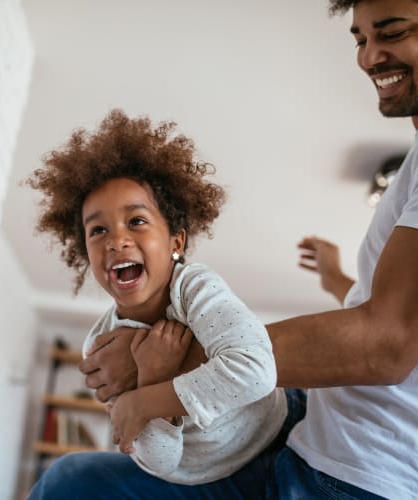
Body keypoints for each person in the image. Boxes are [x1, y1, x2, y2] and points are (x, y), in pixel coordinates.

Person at [36, 0, 418, 498]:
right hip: (318, 441)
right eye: (360, 39)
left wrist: (160, 367)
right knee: (70, 481)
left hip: (376, 474)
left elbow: (392, 341)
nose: (369, 56)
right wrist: (339, 280)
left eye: (392, 32)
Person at [26, 110, 302, 497]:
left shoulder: (194, 287)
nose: (115, 240)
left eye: (136, 221)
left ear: (176, 243)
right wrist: (154, 376)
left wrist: (146, 399)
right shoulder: (101, 347)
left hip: (278, 434)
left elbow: (256, 371)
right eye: (98, 230)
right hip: (205, 478)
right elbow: (160, 461)